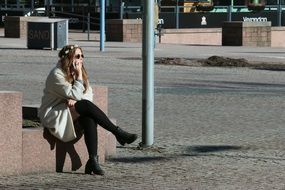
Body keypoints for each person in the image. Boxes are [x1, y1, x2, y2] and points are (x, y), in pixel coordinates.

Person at [38, 44, 138, 176]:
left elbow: (88, 94)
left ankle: (93, 160)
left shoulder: (79, 72)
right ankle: (117, 132)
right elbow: (77, 95)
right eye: (77, 56)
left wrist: (77, 98)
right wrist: (78, 82)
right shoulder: (57, 74)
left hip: (69, 111)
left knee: (89, 117)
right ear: (69, 58)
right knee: (85, 106)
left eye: (82, 56)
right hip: (54, 114)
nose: (81, 59)